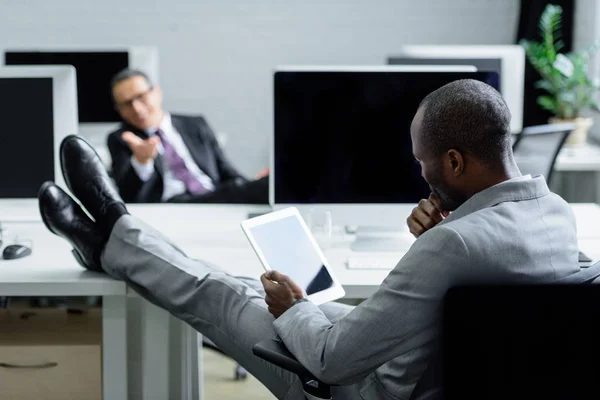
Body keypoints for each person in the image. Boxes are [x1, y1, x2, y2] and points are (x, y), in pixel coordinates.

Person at [39, 79, 581, 399]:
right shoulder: (557, 214)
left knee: (224, 293)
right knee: (233, 282)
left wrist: (294, 307)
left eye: (424, 164)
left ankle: (111, 225)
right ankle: (110, 240)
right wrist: (445, 231)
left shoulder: (454, 246)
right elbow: (488, 296)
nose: (423, 177)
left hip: (363, 385)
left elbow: (328, 359)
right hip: (429, 364)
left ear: (456, 161)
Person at [107, 68, 268, 204]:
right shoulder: (121, 138)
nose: (136, 108)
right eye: (127, 104)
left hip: (215, 194)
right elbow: (128, 195)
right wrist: (141, 162)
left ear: (156, 92)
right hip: (174, 203)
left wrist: (251, 185)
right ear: (118, 110)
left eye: (141, 97)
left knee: (265, 185)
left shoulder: (195, 125)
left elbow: (226, 171)